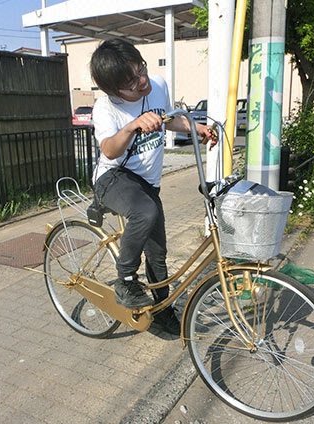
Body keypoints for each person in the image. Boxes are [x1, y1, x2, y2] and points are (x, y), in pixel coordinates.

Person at [89, 38, 217, 335]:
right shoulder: (105, 107)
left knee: (158, 252)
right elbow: (109, 149)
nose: (142, 81)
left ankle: (162, 312)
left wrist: (195, 127)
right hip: (113, 178)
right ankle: (125, 281)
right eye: (131, 82)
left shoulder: (157, 84)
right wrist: (132, 125)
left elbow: (168, 119)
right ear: (113, 89)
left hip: (147, 183)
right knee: (145, 212)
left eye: (141, 70)